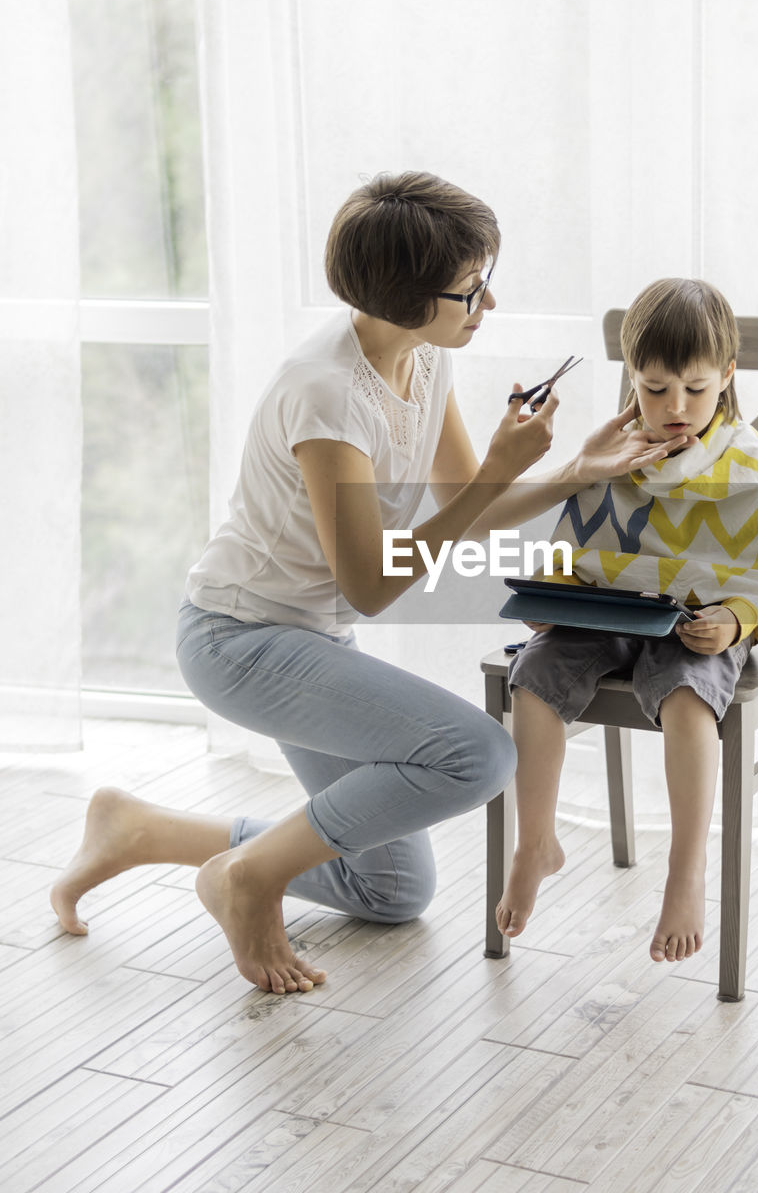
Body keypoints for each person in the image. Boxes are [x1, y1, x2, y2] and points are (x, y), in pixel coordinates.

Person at [51, 172, 679, 996]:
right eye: (470, 291)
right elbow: (377, 583)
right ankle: (249, 878)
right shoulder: (326, 395)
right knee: (479, 755)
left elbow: (464, 505)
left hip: (311, 636)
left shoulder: (423, 358)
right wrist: (496, 472)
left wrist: (571, 472)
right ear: (403, 299)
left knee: (390, 890)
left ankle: (141, 829)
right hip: (240, 640)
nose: (486, 306)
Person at [495, 277, 758, 964]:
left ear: (727, 378)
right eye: (654, 388)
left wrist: (734, 620)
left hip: (694, 626)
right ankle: (535, 842)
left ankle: (685, 868)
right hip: (607, 612)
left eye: (697, 389)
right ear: (630, 380)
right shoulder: (617, 452)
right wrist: (553, 596)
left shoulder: (746, 462)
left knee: (686, 695)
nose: (675, 408)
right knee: (535, 676)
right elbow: (577, 543)